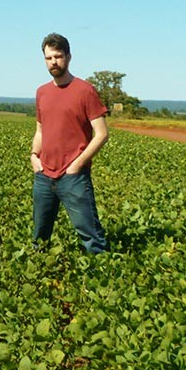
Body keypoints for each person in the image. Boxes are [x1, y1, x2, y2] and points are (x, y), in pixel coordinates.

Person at [30, 33, 110, 254]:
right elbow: (40, 130)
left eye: (58, 56)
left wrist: (76, 165)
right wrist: (34, 156)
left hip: (73, 177)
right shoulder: (42, 92)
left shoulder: (85, 91)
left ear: (68, 57)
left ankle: (103, 273)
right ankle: (38, 275)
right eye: (48, 58)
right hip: (44, 175)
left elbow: (102, 134)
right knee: (39, 237)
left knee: (91, 236)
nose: (53, 62)